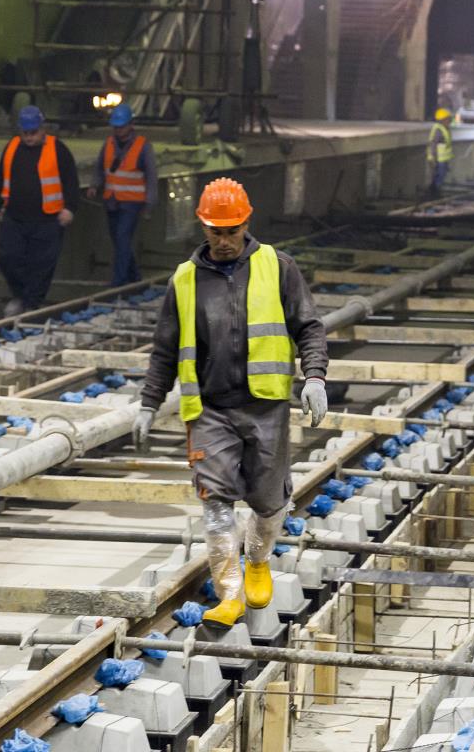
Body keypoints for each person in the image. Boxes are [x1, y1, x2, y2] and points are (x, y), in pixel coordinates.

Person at [135, 178, 329, 628]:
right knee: (216, 502)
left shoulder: (277, 266)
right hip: (209, 411)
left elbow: (310, 326)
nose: (223, 241)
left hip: (265, 406)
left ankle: (258, 561)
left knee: (268, 501)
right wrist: (148, 402)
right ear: (202, 227)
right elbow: (165, 348)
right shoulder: (185, 280)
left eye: (232, 230)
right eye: (215, 232)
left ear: (246, 223)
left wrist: (314, 377)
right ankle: (229, 594)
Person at [0, 105, 79, 316]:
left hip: (47, 220)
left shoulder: (58, 150)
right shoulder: (11, 148)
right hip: (15, 217)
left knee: (42, 264)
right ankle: (21, 296)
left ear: (42, 129)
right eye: (25, 133)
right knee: (8, 257)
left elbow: (71, 182)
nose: (29, 137)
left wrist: (70, 209)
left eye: (33, 133)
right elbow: (0, 177)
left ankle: (32, 304)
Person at [96, 104, 158, 286]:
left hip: (132, 203)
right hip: (112, 201)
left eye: (121, 126)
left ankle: (119, 282)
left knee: (122, 238)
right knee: (118, 240)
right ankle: (134, 276)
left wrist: (149, 203)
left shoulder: (143, 147)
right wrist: (94, 185)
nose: (118, 130)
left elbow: (152, 176)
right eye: (116, 127)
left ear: (131, 125)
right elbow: (100, 167)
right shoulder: (108, 144)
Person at [427, 107, 454, 196]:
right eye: (447, 119)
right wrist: (431, 156)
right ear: (442, 120)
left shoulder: (445, 128)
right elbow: (433, 143)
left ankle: (434, 191)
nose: (449, 121)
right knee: (439, 175)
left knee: (441, 175)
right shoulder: (438, 129)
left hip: (443, 158)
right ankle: (435, 193)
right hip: (438, 158)